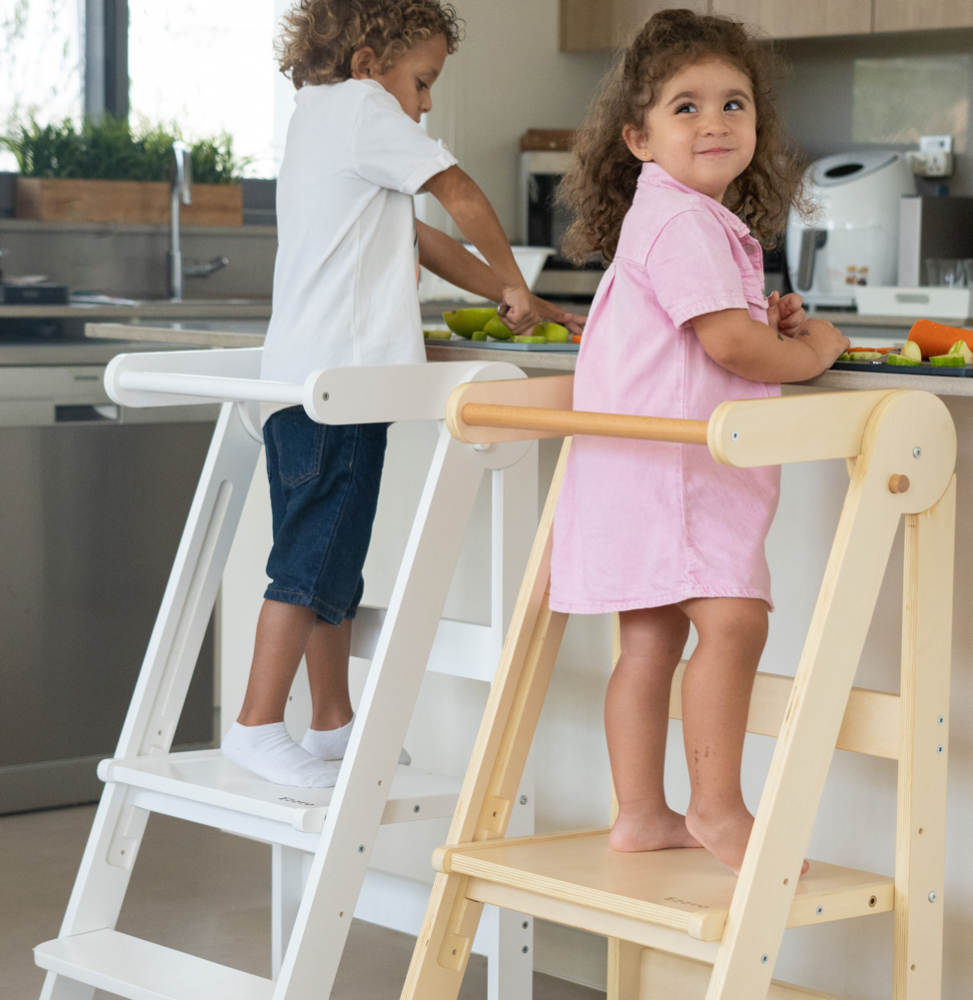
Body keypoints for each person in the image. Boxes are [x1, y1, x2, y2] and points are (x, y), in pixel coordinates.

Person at [221, 0, 585, 788]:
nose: (423, 105)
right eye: (421, 83)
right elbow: (458, 194)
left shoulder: (317, 117)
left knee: (331, 560)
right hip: (344, 384)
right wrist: (518, 279)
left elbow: (421, 239)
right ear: (365, 62)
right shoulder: (362, 108)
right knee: (310, 562)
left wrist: (511, 297)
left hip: (304, 383)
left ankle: (331, 722)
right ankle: (254, 724)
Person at [549, 9, 849, 874]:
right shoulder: (686, 223)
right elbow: (726, 346)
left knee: (650, 643)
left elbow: (716, 329)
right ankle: (718, 809)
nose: (714, 121)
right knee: (734, 623)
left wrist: (767, 319)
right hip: (679, 475)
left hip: (635, 470)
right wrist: (810, 347)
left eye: (733, 103)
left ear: (758, 126)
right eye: (686, 107)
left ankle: (643, 814)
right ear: (639, 138)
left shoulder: (672, 217)